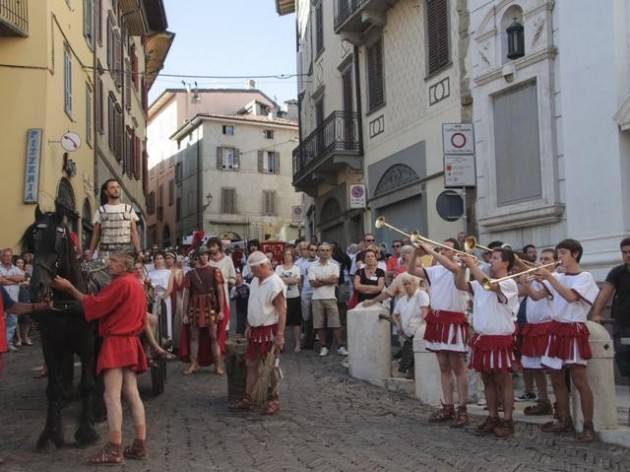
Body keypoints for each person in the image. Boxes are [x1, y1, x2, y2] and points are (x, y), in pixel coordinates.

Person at [52, 253, 149, 464]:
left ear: (125, 264)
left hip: (116, 341)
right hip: (131, 341)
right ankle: (140, 444)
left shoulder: (121, 283)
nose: (108, 264)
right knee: (132, 394)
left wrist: (69, 288)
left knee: (111, 396)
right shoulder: (136, 283)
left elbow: (94, 304)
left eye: (114, 261)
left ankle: (115, 449)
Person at [522, 239, 599, 442]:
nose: (560, 257)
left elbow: (571, 297)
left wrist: (549, 277)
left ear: (575, 254)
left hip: (573, 329)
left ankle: (588, 425)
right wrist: (526, 283)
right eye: (559, 253)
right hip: (556, 328)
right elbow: (538, 296)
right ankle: (564, 419)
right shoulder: (557, 276)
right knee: (556, 378)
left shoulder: (585, 277)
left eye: (563, 253)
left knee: (580, 380)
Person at [457, 249, 520, 439]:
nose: (490, 261)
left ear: (506, 263)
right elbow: (460, 284)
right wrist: (462, 267)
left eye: (495, 258)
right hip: (483, 338)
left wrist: (473, 264)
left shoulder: (509, 283)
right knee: (487, 379)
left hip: (500, 338)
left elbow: (488, 285)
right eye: (491, 258)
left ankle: (508, 420)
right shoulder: (480, 281)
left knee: (503, 380)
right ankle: (492, 417)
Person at [407, 240, 470, 427]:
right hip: (438, 319)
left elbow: (452, 268)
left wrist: (431, 252)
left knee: (458, 366)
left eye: (447, 247)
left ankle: (463, 408)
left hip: (454, 320)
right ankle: (448, 405)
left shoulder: (460, 266)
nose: (443, 249)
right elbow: (411, 271)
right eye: (442, 247)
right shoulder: (434, 271)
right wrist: (416, 254)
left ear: (456, 251)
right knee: (443, 366)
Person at [230, 252, 286, 414]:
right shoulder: (255, 281)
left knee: (271, 366)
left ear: (263, 266)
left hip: (269, 330)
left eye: (254, 269)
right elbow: (253, 304)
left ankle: (274, 399)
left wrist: (280, 334)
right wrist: (249, 325)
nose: (252, 272)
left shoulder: (275, 283)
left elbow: (282, 311)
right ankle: (249, 397)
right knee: (251, 364)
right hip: (255, 329)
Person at [517, 248, 557, 416]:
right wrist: (522, 280)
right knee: (535, 367)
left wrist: (527, 282)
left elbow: (536, 296)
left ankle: (559, 403)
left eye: (547, 259)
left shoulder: (555, 279)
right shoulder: (536, 277)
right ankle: (543, 400)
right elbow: (518, 293)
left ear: (555, 262)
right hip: (533, 327)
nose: (543, 262)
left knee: (552, 368)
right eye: (542, 259)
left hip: (548, 326)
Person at [592, 237, 630, 393]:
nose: (627, 255)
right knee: (625, 364)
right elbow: (605, 293)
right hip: (623, 325)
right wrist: (596, 314)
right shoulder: (617, 272)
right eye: (624, 252)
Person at [181, 246, 226, 375]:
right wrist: (184, 313)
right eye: (201, 255)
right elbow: (187, 295)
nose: (204, 257)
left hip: (210, 306)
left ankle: (218, 365)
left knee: (213, 336)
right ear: (197, 257)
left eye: (206, 254)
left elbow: (220, 291)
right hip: (195, 307)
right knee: (194, 336)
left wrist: (221, 310)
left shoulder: (215, 271)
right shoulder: (190, 274)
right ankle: (194, 363)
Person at [309, 243, 348, 357]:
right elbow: (312, 283)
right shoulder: (312, 265)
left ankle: (340, 346)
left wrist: (320, 280)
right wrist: (327, 280)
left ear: (331, 252)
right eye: (322, 250)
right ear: (318, 252)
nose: (325, 252)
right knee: (319, 324)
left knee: (335, 323)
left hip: (331, 298)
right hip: (317, 298)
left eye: (327, 250)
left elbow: (334, 280)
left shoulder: (335, 265)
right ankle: (323, 346)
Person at [88, 179, 141, 259]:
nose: (116, 190)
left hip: (124, 253)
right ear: (106, 192)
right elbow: (96, 235)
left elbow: (134, 233)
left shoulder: (128, 209)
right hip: (105, 255)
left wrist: (139, 252)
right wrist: (90, 254)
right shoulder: (101, 211)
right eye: (112, 187)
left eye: (118, 187)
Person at [392, 275, 429, 379]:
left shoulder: (421, 294)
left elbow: (424, 312)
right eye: (405, 284)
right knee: (409, 350)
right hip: (406, 331)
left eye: (409, 283)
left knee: (408, 349)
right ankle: (408, 373)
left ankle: (403, 370)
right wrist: (399, 327)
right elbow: (394, 314)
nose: (407, 286)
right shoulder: (403, 299)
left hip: (418, 330)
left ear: (415, 285)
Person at [276, 248, 302, 353]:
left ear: (293, 256)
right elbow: (276, 281)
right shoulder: (278, 267)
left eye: (289, 255)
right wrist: (289, 280)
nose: (287, 257)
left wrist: (283, 280)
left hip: (294, 297)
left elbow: (296, 281)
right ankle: (282, 344)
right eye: (285, 255)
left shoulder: (296, 268)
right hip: (282, 298)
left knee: (296, 322)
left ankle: (297, 344)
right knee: (282, 322)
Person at [0, 248, 26, 352]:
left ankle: (8, 343)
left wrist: (7, 277)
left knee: (12, 322)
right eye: (5, 255)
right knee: (2, 323)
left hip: (14, 302)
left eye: (9, 255)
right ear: (1, 257)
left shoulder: (16, 268)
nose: (7, 257)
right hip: (2, 302)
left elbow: (22, 278)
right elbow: (1, 281)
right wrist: (15, 281)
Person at [147, 253, 174, 343]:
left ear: (163, 260)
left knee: (166, 319)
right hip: (154, 298)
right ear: (154, 261)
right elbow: (149, 288)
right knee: (155, 320)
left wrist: (163, 298)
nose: (159, 260)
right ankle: (156, 343)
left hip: (165, 298)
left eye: (161, 258)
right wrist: (154, 296)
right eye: (157, 258)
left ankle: (166, 343)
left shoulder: (169, 272)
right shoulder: (150, 273)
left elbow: (170, 288)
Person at [297, 242, 317, 349]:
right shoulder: (302, 264)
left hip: (316, 293)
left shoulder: (319, 262)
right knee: (306, 318)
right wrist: (301, 292)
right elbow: (301, 280)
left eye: (315, 250)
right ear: (308, 251)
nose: (313, 252)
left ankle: (312, 340)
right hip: (305, 292)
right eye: (311, 250)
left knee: (315, 318)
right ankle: (306, 339)